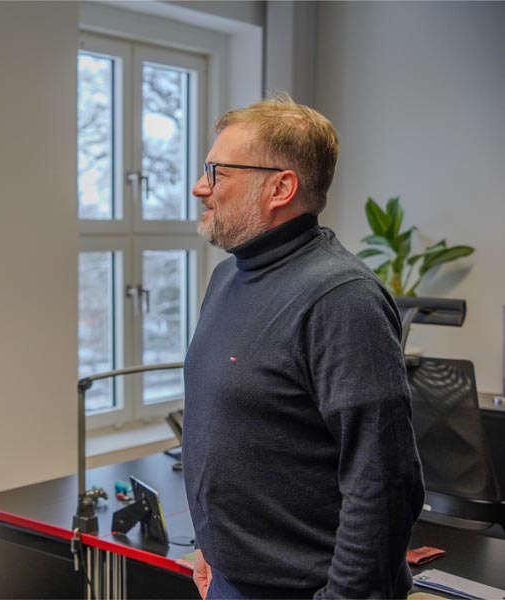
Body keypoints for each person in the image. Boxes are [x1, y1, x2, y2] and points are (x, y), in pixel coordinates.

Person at [182, 94, 424, 599]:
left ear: (280, 186)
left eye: (218, 172)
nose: (200, 187)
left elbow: (383, 485)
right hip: (229, 580)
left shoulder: (341, 298)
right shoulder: (228, 277)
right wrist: (212, 543)